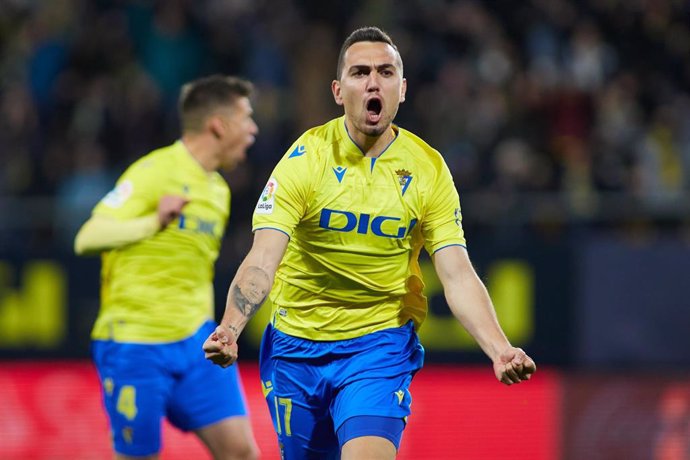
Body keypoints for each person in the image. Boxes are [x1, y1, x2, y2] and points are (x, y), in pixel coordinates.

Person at [203, 27, 536, 459]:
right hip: (295, 346)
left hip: (377, 347)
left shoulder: (429, 170)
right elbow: (263, 257)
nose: (374, 82)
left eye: (386, 71)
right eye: (360, 73)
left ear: (403, 88)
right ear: (339, 92)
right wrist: (230, 327)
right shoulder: (305, 161)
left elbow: (456, 273)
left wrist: (500, 348)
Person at [74, 75, 260, 460]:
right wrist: (151, 225)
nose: (254, 129)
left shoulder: (218, 191)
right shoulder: (153, 171)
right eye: (246, 118)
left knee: (242, 453)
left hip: (195, 343)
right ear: (218, 125)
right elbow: (87, 236)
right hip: (134, 343)